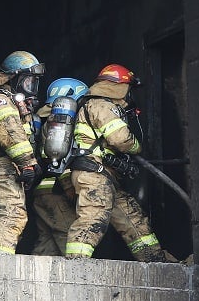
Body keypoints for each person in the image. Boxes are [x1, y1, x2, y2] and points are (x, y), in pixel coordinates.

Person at [65, 64, 167, 261]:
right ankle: (75, 264)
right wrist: (137, 147)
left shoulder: (99, 106)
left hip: (106, 175)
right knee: (94, 217)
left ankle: (154, 262)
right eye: (128, 89)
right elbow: (120, 139)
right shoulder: (101, 106)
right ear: (119, 88)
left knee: (133, 218)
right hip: (93, 174)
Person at [0, 51, 45, 254]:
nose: (31, 88)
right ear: (13, 78)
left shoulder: (12, 101)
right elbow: (10, 132)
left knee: (5, 214)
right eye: (28, 82)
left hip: (5, 167)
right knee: (11, 213)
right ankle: (0, 264)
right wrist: (27, 162)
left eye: (34, 83)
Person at [30, 77, 89, 255]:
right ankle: (76, 277)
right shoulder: (60, 125)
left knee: (47, 244)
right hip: (56, 193)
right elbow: (62, 166)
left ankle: (36, 281)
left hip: (43, 192)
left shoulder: (44, 121)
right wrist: (72, 191)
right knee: (70, 235)